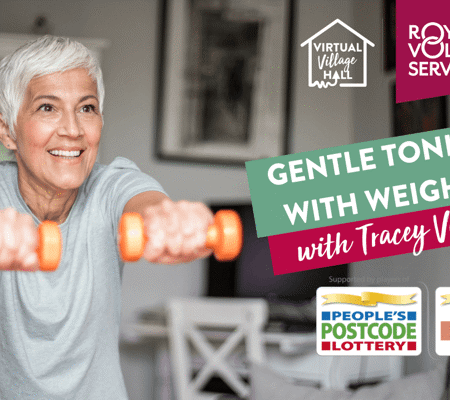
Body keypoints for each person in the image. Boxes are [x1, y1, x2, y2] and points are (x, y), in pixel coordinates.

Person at [0, 35, 214, 399]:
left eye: (86, 108)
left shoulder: (111, 185)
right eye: (47, 108)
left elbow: (145, 203)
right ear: (8, 131)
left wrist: (166, 220)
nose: (73, 129)